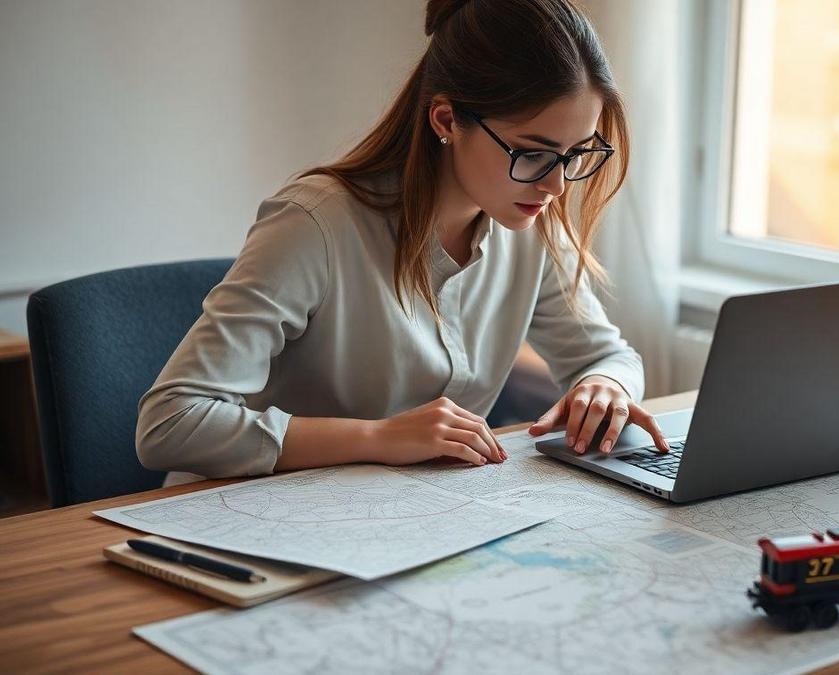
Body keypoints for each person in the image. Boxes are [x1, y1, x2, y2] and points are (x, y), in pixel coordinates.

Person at [135, 0, 670, 487]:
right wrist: (378, 437)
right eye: (533, 153)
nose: (555, 186)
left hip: (402, 516)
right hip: (242, 515)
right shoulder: (315, 223)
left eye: (577, 154)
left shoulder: (529, 225)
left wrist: (605, 386)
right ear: (447, 120)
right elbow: (170, 422)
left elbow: (607, 355)